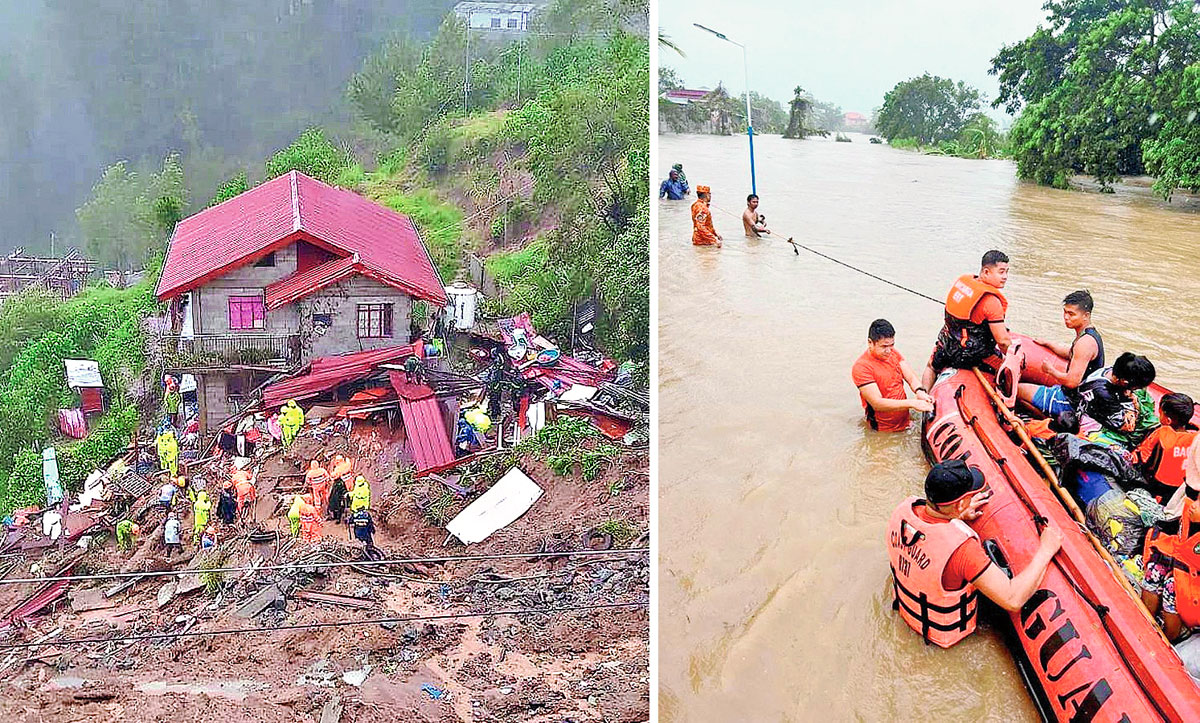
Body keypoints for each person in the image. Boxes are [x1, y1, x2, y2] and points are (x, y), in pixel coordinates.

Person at [887, 460, 1062, 648]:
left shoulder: (903, 512)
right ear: (961, 502)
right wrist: (1046, 550)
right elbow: (1013, 599)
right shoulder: (963, 550)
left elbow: (930, 536)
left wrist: (957, 515)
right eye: (969, 496)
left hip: (908, 613)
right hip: (943, 639)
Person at [921, 250, 1012, 391]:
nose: (1005, 277)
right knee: (1008, 370)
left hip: (947, 343)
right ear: (986, 272)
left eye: (1007, 272)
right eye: (1001, 272)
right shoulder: (992, 301)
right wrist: (1014, 358)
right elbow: (1003, 342)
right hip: (970, 354)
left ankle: (924, 395)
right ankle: (1007, 404)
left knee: (931, 366)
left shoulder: (965, 282)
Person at [1017, 290, 1104, 417]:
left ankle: (1051, 421)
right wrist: (1049, 344)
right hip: (1076, 395)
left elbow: (1071, 382)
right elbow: (1071, 353)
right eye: (1065, 312)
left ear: (1086, 315)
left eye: (1071, 314)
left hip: (1072, 402)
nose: (1066, 317)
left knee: (1018, 390)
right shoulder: (1090, 334)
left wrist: (1050, 370)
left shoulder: (1085, 343)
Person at [852, 319, 933, 432]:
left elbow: (910, 377)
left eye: (892, 345)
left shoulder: (893, 353)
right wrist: (912, 403)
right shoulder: (862, 367)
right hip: (883, 430)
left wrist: (920, 392)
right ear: (870, 343)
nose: (889, 350)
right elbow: (877, 403)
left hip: (905, 421)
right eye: (884, 346)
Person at [1133, 393, 1197, 503]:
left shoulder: (1160, 434)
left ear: (1168, 421)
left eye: (1160, 413)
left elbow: (1141, 459)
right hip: (1185, 488)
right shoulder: (1197, 437)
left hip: (1160, 488)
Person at [1075, 352, 1157, 437]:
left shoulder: (1114, 371)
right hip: (1089, 417)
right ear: (1125, 383)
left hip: (1106, 403)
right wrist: (1131, 403)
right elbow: (1126, 427)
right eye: (1137, 387)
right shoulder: (1104, 393)